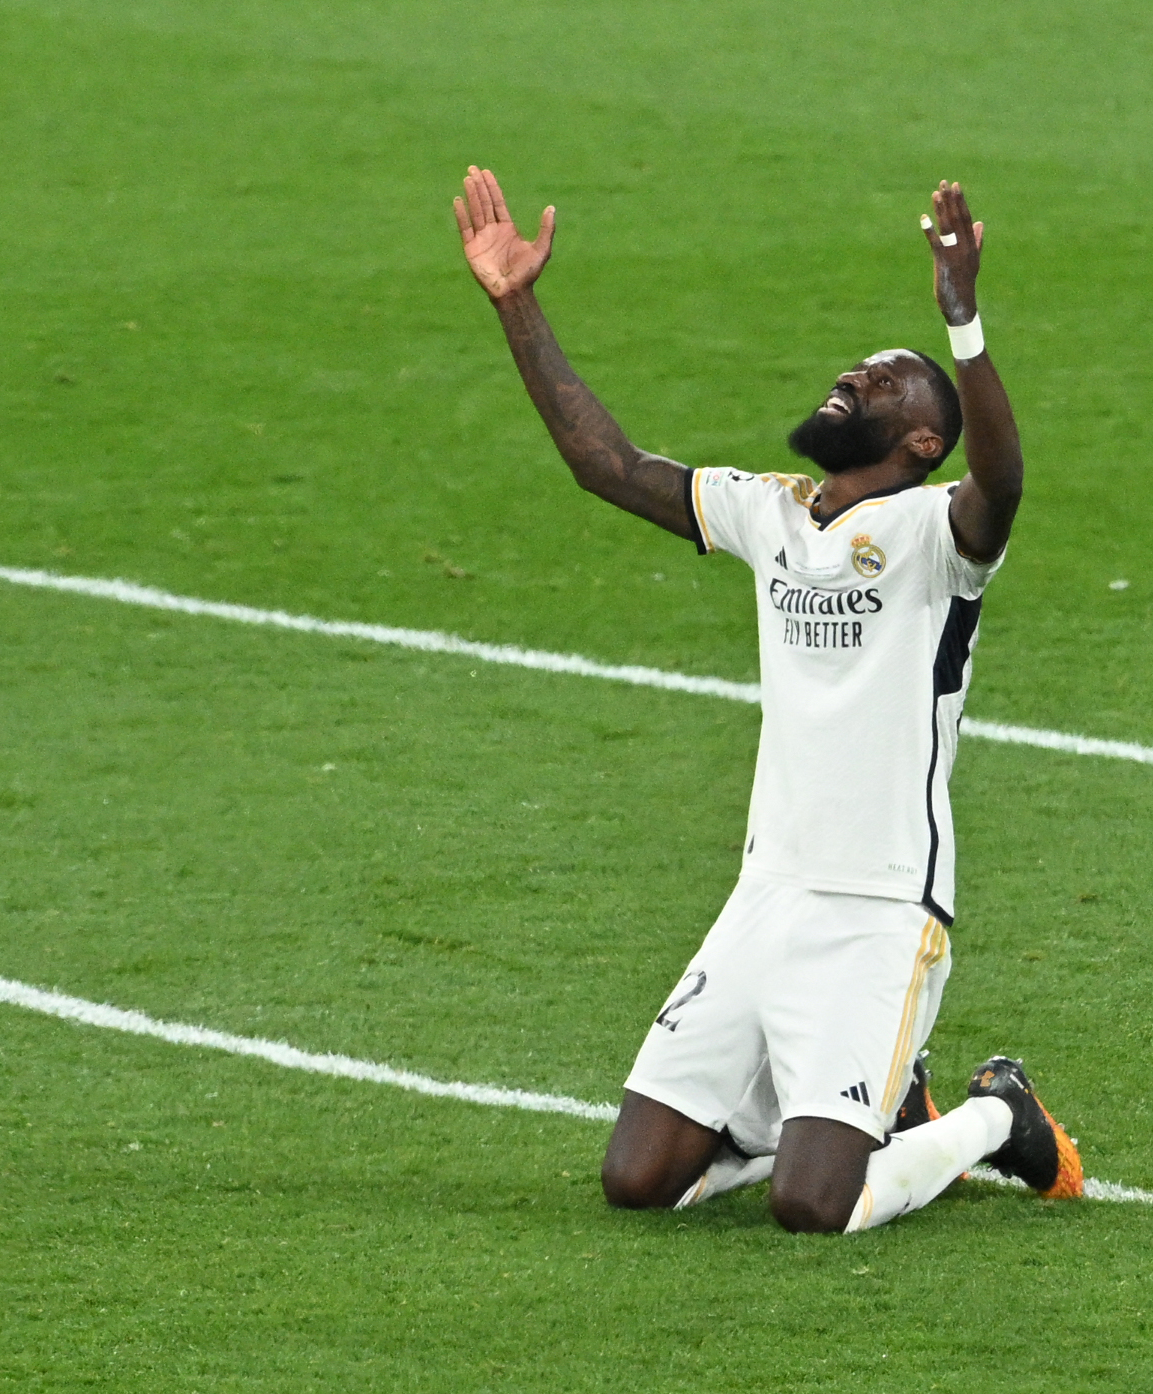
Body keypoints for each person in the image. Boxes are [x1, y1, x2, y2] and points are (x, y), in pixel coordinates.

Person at [453, 167, 1083, 1233]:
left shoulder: (939, 538)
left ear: (924, 442)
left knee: (817, 1207)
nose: (854, 378)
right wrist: (518, 305)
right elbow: (605, 463)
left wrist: (962, 325)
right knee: (637, 1182)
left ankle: (994, 1115)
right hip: (766, 897)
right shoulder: (773, 513)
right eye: (858, 369)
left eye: (884, 383)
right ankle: (850, 1109)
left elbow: (1005, 482)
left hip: (882, 910)